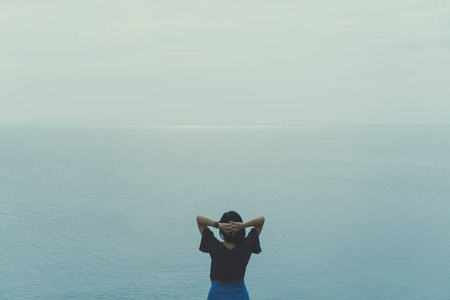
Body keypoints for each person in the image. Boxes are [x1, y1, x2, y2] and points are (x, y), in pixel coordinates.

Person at [197, 211, 265, 300]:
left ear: (223, 230)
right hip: (240, 295)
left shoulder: (214, 246)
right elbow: (261, 220)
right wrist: (243, 225)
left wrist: (218, 225)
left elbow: (199, 219)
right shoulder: (246, 246)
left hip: (217, 294)